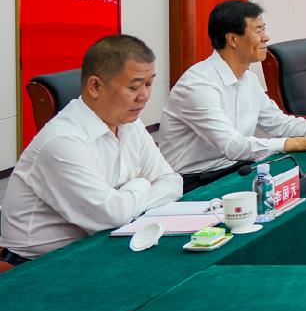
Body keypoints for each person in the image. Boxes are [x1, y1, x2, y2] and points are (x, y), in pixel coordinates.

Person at [0, 35, 182, 265]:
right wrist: (143, 184)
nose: (144, 96)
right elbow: (111, 217)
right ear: (95, 86)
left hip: (102, 245)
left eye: (148, 84)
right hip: (40, 265)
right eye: (134, 87)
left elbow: (172, 182)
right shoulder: (63, 141)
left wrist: (125, 201)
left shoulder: (129, 123)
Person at [158, 0, 306, 192]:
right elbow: (232, 146)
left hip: (238, 168)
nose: (266, 37)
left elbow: (280, 124)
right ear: (233, 39)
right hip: (196, 183)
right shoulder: (198, 84)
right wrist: (297, 143)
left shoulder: (248, 79)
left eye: (264, 29)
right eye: (258, 30)